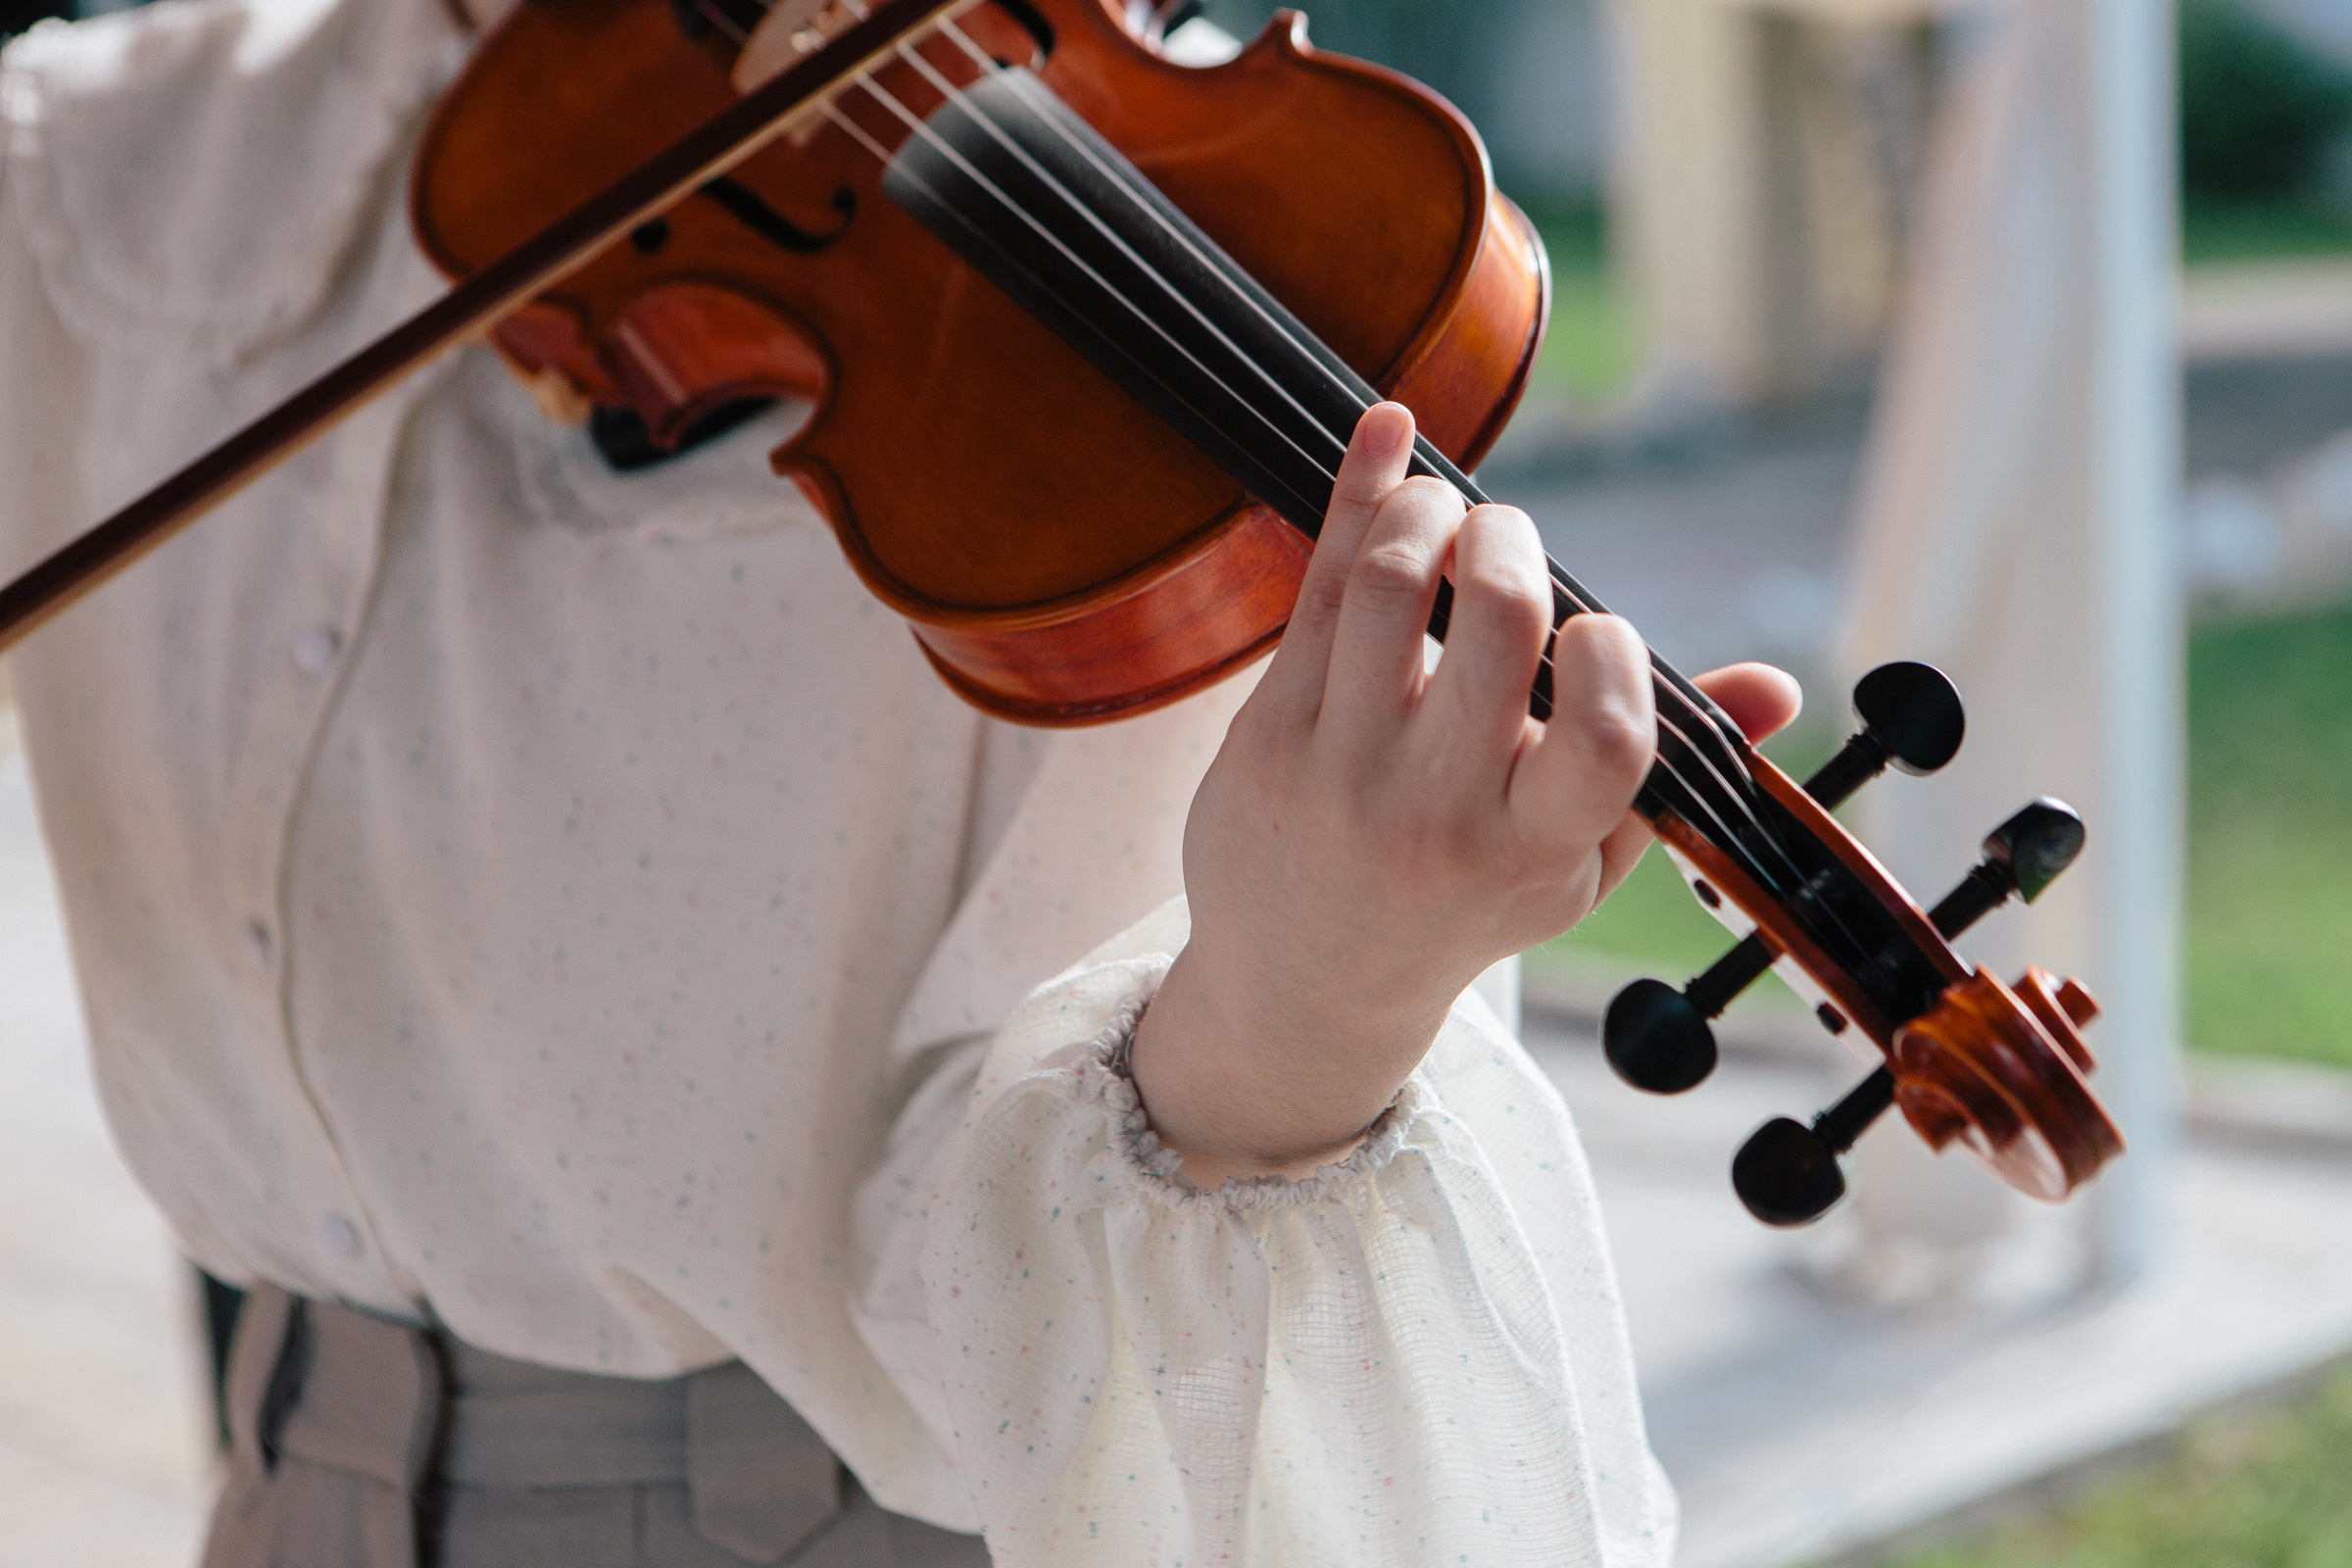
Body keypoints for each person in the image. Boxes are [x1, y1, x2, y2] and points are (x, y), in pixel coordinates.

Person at [0, 0, 1798, 1561]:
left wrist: (1303, 1023)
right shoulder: (99, 171)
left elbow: (1052, 1354)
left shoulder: (1131, 304)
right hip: (276, 1493)